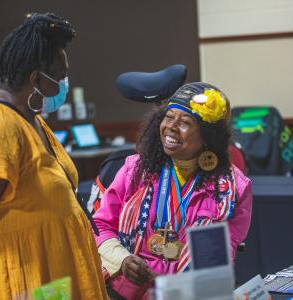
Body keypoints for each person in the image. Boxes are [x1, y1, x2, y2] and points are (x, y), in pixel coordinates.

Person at [0, 12, 108, 300]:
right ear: (37, 79)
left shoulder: (32, 120)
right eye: (61, 76)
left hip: (49, 284)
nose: (64, 83)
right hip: (17, 284)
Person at [93, 82, 253, 299]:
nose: (171, 126)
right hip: (128, 291)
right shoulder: (135, 169)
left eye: (185, 122)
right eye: (168, 117)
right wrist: (122, 259)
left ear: (208, 136)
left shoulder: (234, 188)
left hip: (189, 294)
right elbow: (99, 225)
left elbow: (225, 248)